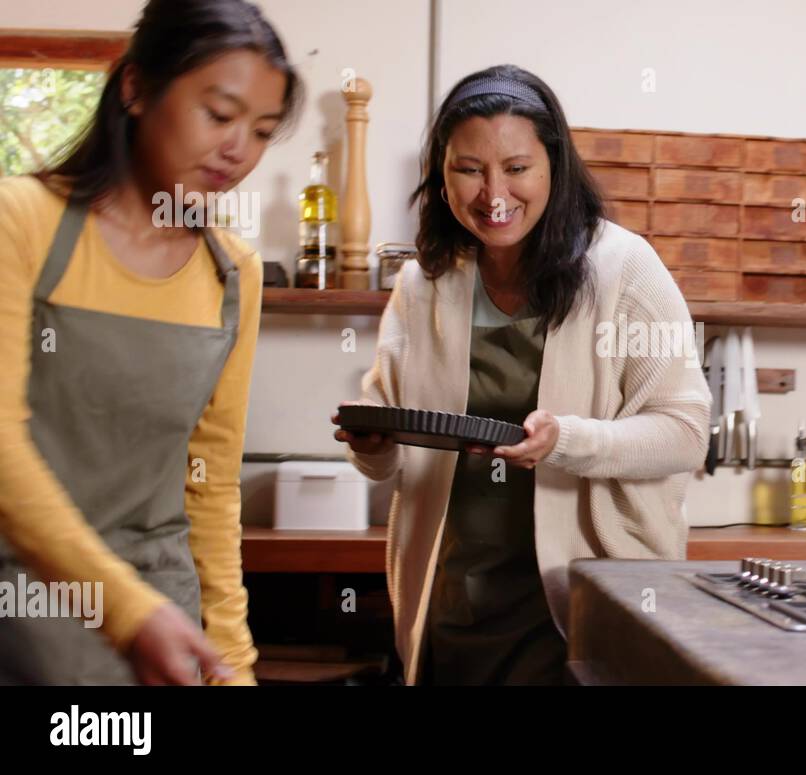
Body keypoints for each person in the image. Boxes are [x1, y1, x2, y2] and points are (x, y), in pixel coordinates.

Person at [333, 64, 711, 685]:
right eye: (468, 169)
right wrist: (373, 449)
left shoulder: (625, 268)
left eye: (516, 168)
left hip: (580, 609)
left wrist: (569, 441)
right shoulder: (423, 284)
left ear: (554, 169)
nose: (493, 194)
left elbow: (685, 431)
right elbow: (396, 458)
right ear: (440, 174)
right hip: (453, 605)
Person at [0, 0, 301, 685]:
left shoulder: (233, 274)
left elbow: (211, 487)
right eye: (218, 115)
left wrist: (234, 665)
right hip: (24, 608)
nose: (238, 150)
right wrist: (128, 610)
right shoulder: (20, 221)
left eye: (261, 130)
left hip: (165, 627)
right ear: (135, 89)